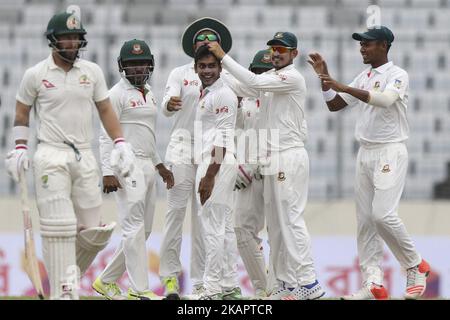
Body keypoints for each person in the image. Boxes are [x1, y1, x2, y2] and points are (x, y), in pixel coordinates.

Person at [4, 11, 135, 299]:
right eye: (66, 37)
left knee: (95, 232)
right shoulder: (35, 75)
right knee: (60, 227)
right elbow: (21, 113)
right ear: (54, 41)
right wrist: (20, 148)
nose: (72, 43)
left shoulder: (92, 72)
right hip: (51, 153)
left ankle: (66, 278)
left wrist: (121, 142)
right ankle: (66, 290)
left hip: (85, 154)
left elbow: (105, 110)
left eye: (76, 38)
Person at [308, 25, 430, 300]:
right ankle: (373, 282)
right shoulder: (364, 76)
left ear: (384, 45)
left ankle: (415, 264)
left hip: (390, 150)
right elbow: (335, 105)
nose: (362, 48)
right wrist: (325, 83)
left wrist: (343, 85)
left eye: (368, 43)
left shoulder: (398, 75)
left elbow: (386, 100)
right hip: (365, 152)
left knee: (383, 215)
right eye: (361, 44)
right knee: (365, 222)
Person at [208, 32, 325, 300]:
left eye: (281, 49)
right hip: (273, 158)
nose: (275, 53)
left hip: (288, 156)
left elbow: (251, 80)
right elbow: (240, 86)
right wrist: (208, 61)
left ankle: (308, 282)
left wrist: (222, 56)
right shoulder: (271, 83)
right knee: (276, 224)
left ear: (294, 53)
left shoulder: (291, 77)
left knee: (289, 219)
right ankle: (285, 283)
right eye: (273, 48)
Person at [92, 39, 174, 300]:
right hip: (126, 165)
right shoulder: (116, 94)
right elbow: (106, 136)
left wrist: (160, 164)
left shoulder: (149, 92)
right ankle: (140, 290)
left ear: (150, 65)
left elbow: (146, 136)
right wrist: (106, 171)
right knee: (133, 228)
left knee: (145, 230)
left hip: (147, 165)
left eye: (141, 64)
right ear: (122, 67)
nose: (137, 69)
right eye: (131, 64)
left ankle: (106, 281)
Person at [158, 17, 232, 299]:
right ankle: (170, 280)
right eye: (200, 42)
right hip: (181, 148)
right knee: (175, 214)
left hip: (208, 153)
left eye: (210, 42)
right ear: (193, 48)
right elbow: (166, 107)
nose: (205, 46)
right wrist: (170, 103)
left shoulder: (224, 76)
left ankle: (201, 281)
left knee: (203, 218)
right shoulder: (180, 73)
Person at [193, 45, 240, 300]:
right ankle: (229, 284)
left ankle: (211, 288)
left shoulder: (222, 94)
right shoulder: (207, 93)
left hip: (217, 163)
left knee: (213, 227)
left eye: (212, 66)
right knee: (224, 226)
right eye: (203, 66)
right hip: (216, 161)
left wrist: (210, 174)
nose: (207, 70)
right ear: (195, 68)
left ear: (221, 68)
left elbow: (223, 137)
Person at [233, 49, 273, 298]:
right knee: (242, 230)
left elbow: (280, 138)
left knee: (281, 231)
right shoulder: (245, 101)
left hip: (275, 171)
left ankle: (289, 285)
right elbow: (236, 134)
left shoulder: (282, 99)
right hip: (248, 177)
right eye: (257, 72)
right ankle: (264, 288)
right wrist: (238, 165)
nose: (261, 78)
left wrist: (253, 164)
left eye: (267, 73)